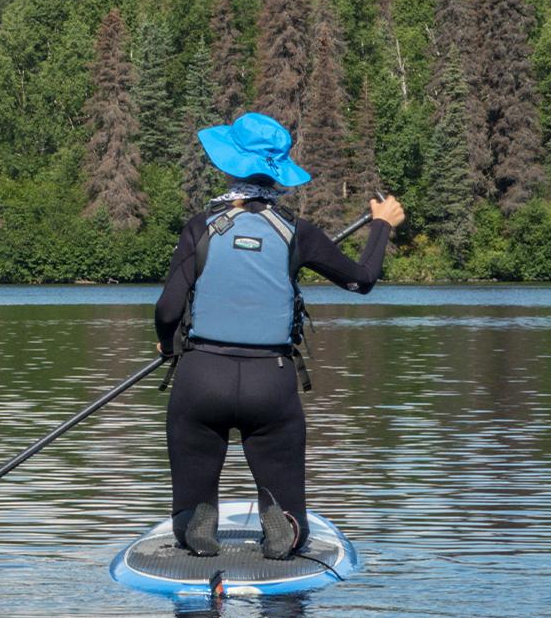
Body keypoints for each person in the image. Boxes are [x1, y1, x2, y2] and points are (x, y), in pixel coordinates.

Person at [153, 111, 404, 560]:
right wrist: (381, 223)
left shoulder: (200, 227)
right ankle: (284, 525)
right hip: (271, 383)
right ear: (278, 174)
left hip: (200, 377)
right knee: (291, 514)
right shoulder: (296, 234)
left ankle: (195, 522)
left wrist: (167, 340)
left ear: (228, 164)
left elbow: (169, 308)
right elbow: (361, 280)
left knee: (189, 503)